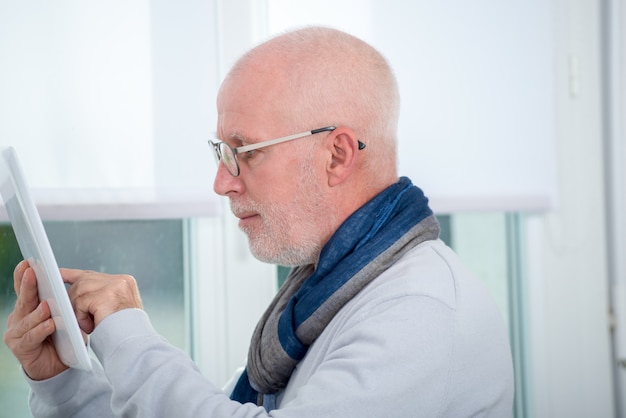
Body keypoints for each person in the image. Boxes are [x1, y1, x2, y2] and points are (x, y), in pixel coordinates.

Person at [4, 26, 514, 417]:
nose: (222, 183)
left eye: (244, 152)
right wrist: (62, 382)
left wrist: (127, 333)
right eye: (221, 152)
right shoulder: (321, 296)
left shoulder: (419, 311)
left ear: (337, 156)